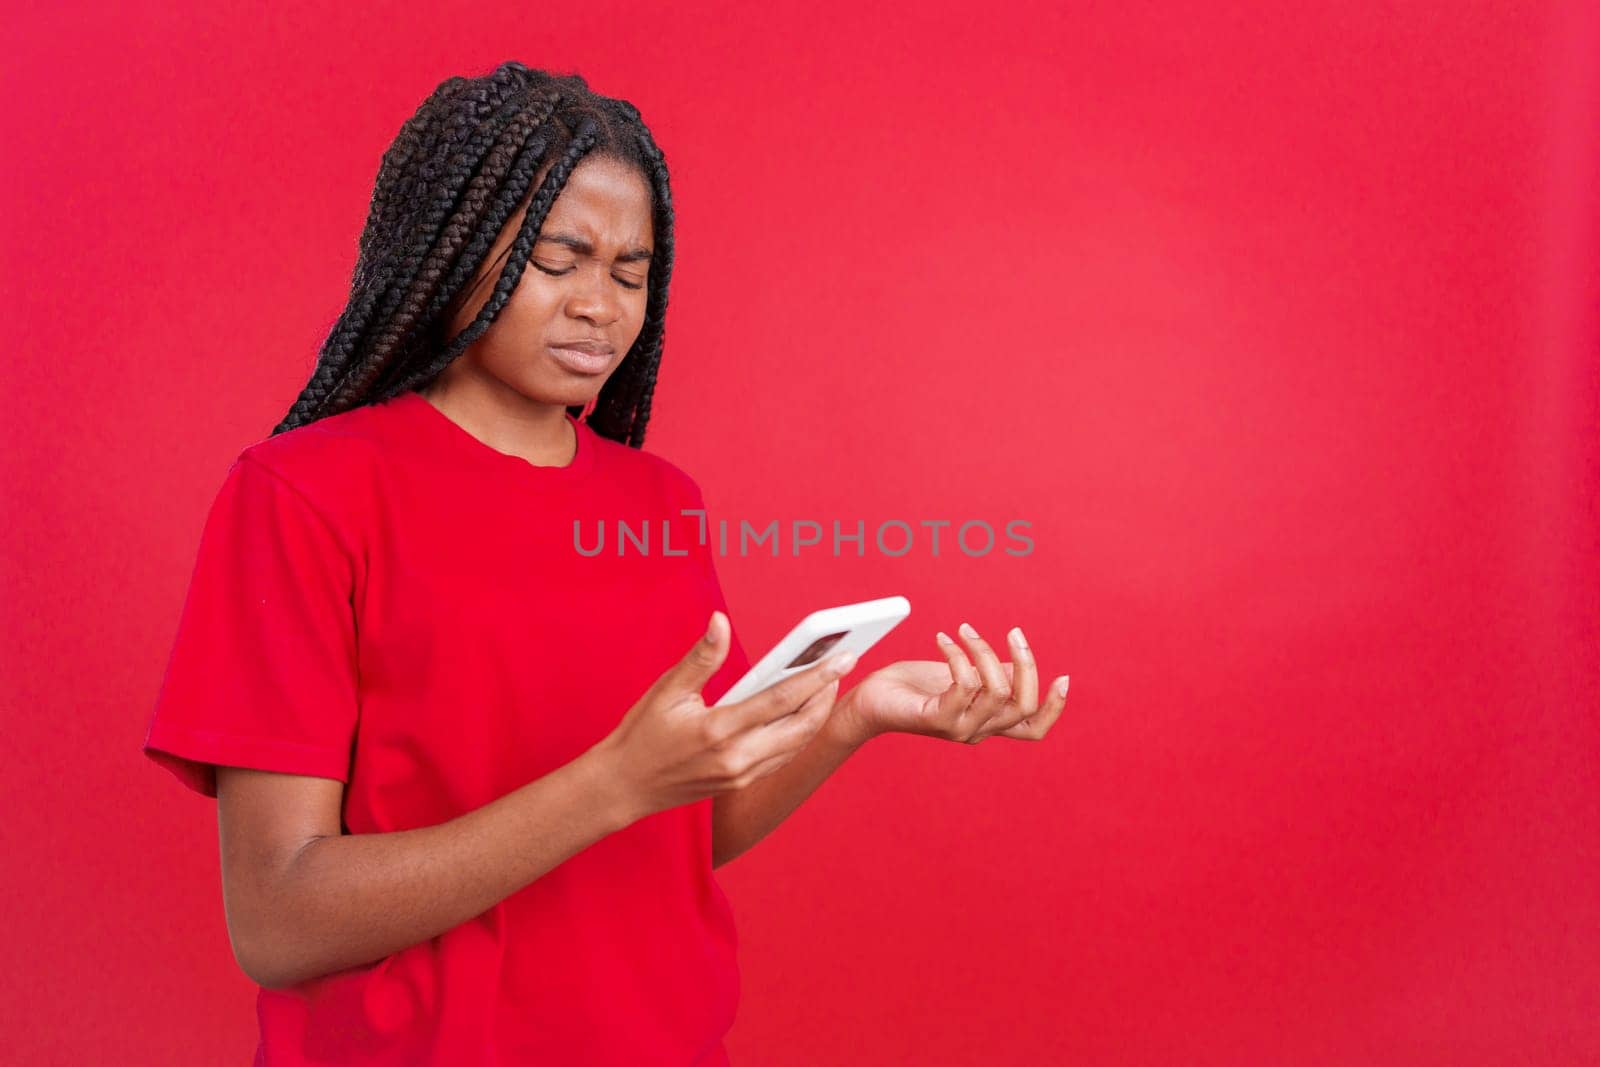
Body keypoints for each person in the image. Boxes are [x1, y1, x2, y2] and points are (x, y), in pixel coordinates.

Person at [142, 60, 1071, 1066]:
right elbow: (277, 918)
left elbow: (683, 827)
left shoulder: (658, 502)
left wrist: (854, 714)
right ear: (448, 247)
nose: (601, 306)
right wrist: (610, 785)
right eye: (559, 259)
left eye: (632, 274)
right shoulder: (304, 495)